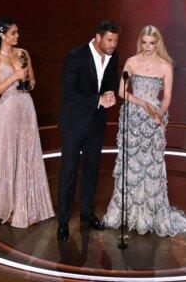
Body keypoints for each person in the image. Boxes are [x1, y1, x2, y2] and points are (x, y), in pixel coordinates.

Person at [102, 25, 186, 236]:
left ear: (158, 43)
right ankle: (126, 211)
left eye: (152, 43)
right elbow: (122, 91)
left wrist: (159, 114)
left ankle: (150, 214)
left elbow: (168, 96)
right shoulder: (132, 62)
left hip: (154, 121)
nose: (148, 47)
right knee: (130, 163)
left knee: (151, 165)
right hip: (133, 117)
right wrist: (142, 103)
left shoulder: (165, 66)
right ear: (140, 42)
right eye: (144, 42)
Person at [0, 19, 54, 228]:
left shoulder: (23, 53)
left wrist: (28, 82)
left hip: (26, 107)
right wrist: (15, 76)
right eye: (13, 33)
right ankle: (7, 204)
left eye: (17, 33)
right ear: (2, 34)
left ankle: (28, 204)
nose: (17, 36)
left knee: (27, 152)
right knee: (8, 153)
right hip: (7, 110)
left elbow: (32, 80)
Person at [56, 19, 120, 241]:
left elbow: (110, 82)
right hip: (74, 123)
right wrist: (98, 100)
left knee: (92, 171)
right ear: (98, 37)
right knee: (69, 172)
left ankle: (86, 214)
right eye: (109, 40)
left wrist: (110, 95)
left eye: (115, 41)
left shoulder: (113, 57)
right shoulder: (76, 56)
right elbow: (69, 91)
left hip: (96, 124)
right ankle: (63, 222)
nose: (112, 45)